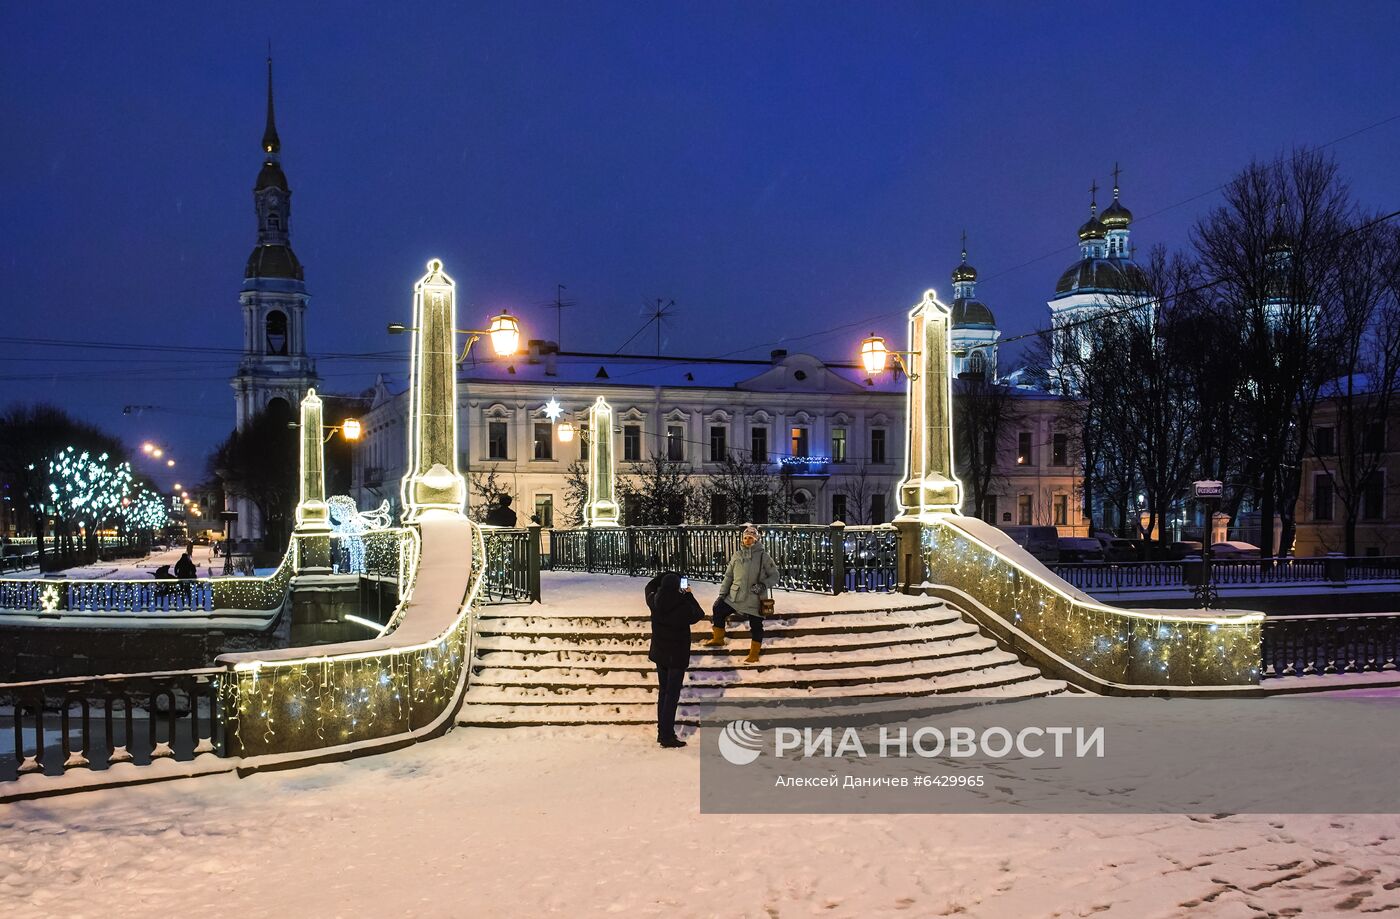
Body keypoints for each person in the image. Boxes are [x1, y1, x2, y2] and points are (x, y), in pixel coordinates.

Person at [704, 523, 780, 663]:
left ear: (756, 539)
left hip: (755, 599)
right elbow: (729, 576)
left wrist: (763, 586)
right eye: (745, 538)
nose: (747, 540)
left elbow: (775, 576)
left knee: (756, 625)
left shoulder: (764, 557)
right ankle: (718, 639)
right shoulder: (737, 555)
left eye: (750, 537)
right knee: (718, 608)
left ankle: (754, 653)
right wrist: (722, 595)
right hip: (736, 596)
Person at [645, 571, 704, 748]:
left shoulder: (654, 602)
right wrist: (688, 593)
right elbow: (699, 613)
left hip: (660, 654)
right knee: (671, 695)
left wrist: (666, 576)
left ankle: (662, 732)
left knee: (663, 693)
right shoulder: (683, 605)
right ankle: (666, 735)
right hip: (676, 656)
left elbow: (649, 586)